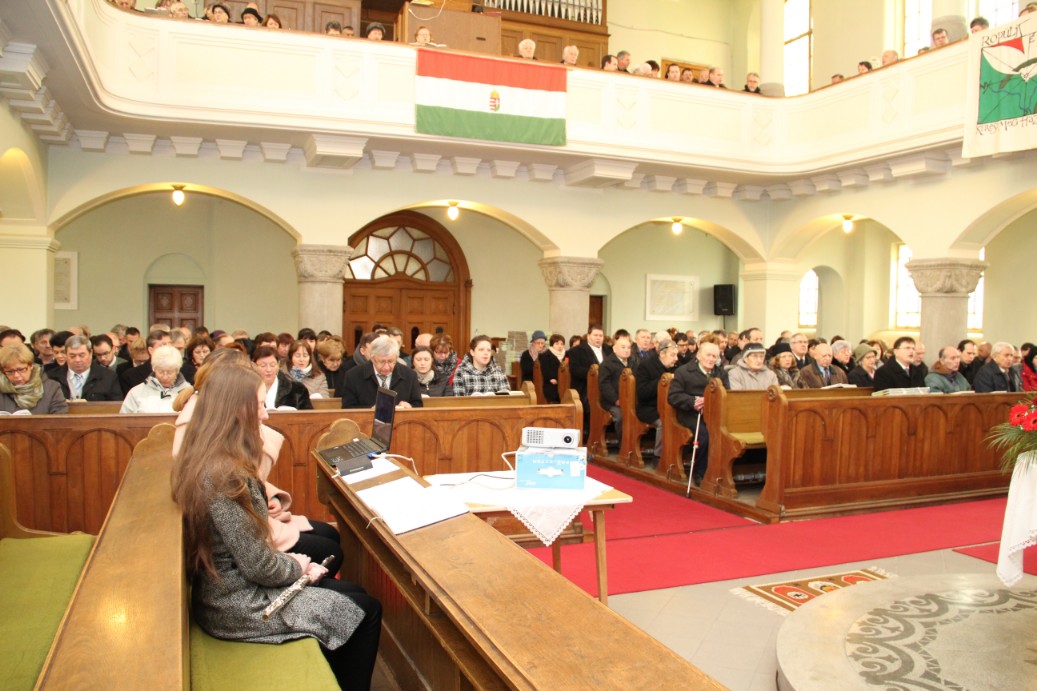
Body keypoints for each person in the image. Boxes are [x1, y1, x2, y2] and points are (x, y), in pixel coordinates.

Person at [171, 366, 381, 690]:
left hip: (231, 590)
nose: (265, 415)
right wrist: (299, 567)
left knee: (356, 595)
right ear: (236, 410)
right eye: (259, 405)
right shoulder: (224, 475)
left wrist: (297, 567)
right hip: (237, 605)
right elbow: (259, 566)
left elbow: (250, 553)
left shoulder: (214, 457)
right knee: (366, 611)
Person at [667, 341, 728, 484]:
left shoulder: (721, 373)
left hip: (715, 413)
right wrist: (693, 401)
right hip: (691, 413)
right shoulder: (683, 371)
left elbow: (727, 394)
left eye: (714, 356)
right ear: (699, 355)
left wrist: (712, 401)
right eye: (708, 355)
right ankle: (700, 472)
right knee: (704, 435)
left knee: (724, 434)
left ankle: (719, 472)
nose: (711, 359)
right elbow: (673, 396)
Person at [341, 334, 423, 408]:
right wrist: (369, 411)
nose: (386, 367)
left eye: (391, 361)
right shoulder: (353, 376)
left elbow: (418, 405)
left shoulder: (409, 375)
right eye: (382, 362)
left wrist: (409, 407)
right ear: (373, 359)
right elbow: (347, 409)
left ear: (396, 358)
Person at [635, 339, 679, 458]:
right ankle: (659, 456)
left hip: (670, 406)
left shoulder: (675, 366)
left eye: (677, 355)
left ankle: (676, 455)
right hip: (649, 407)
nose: (676, 359)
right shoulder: (646, 366)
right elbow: (642, 393)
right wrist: (663, 381)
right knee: (664, 422)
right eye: (673, 355)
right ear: (662, 353)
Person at [120, 344, 191, 413]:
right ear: (154, 369)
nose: (165, 377)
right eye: (161, 371)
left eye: (169, 372)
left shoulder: (188, 392)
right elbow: (125, 418)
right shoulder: (137, 392)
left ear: (177, 370)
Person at [0, 344, 67, 414]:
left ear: (31, 365)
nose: (16, 375)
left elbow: (60, 417)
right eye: (10, 371)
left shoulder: (52, 388)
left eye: (21, 369)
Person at [53, 335, 124, 401]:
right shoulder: (53, 377)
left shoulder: (108, 377)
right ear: (66, 354)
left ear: (90, 353)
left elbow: (116, 406)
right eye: (72, 356)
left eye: (81, 355)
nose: (77, 360)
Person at [252, 345, 313, 409]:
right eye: (263, 365)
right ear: (254, 366)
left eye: (272, 365)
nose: (268, 369)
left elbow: (308, 414)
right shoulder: (247, 390)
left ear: (278, 364)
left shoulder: (297, 389)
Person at [598, 334, 632, 445]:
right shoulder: (607, 364)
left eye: (628, 347)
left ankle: (635, 443)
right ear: (614, 349)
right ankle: (624, 445)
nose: (626, 350)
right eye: (623, 347)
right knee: (621, 416)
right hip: (612, 402)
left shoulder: (633, 362)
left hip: (630, 400)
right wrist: (616, 400)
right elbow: (604, 384)